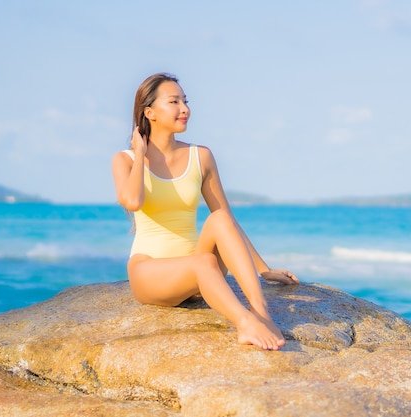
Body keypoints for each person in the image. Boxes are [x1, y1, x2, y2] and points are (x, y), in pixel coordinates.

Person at [112, 72, 299, 351]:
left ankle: (261, 313)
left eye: (185, 101)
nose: (185, 109)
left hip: (201, 273)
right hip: (149, 272)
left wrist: (265, 270)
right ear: (149, 112)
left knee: (220, 219)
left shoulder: (201, 157)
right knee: (204, 264)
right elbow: (132, 201)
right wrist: (140, 153)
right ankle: (244, 322)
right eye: (174, 102)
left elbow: (228, 223)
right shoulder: (124, 160)